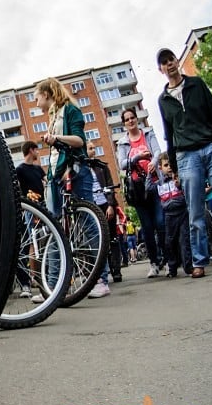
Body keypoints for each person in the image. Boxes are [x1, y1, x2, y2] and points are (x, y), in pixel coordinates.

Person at [34, 77, 111, 298]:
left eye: (37, 96)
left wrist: (55, 137)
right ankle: (55, 287)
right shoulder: (51, 115)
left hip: (75, 170)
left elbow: (79, 140)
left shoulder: (70, 110)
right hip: (56, 174)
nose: (36, 101)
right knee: (54, 229)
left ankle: (100, 280)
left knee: (88, 223)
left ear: (47, 94)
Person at [157, 46, 212, 279]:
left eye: (171, 59)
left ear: (176, 62)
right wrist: (174, 168)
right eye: (164, 62)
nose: (169, 64)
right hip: (186, 156)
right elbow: (168, 133)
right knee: (195, 211)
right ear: (160, 69)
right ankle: (199, 261)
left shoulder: (197, 84)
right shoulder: (163, 100)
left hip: (210, 147)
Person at [115, 106, 165, 278]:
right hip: (137, 189)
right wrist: (138, 157)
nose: (130, 121)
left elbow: (157, 150)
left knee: (160, 223)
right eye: (127, 119)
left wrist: (154, 160)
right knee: (147, 228)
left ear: (137, 119)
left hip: (154, 184)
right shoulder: (122, 143)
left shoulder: (148, 135)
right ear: (124, 124)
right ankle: (154, 262)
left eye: (132, 118)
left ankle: (166, 258)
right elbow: (122, 163)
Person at [87, 141, 121, 284]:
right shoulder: (81, 168)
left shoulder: (102, 166)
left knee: (112, 238)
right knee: (99, 240)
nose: (93, 151)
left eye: (94, 148)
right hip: (92, 207)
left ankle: (116, 271)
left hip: (105, 205)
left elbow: (109, 185)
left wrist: (110, 205)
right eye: (90, 148)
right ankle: (102, 272)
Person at [156, 152, 192, 277]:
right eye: (166, 165)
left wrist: (180, 184)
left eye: (171, 164)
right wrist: (150, 177)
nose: (169, 167)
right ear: (160, 168)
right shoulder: (159, 182)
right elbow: (148, 189)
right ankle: (172, 268)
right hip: (169, 215)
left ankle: (188, 267)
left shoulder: (179, 177)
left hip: (182, 213)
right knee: (169, 242)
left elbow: (188, 189)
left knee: (184, 240)